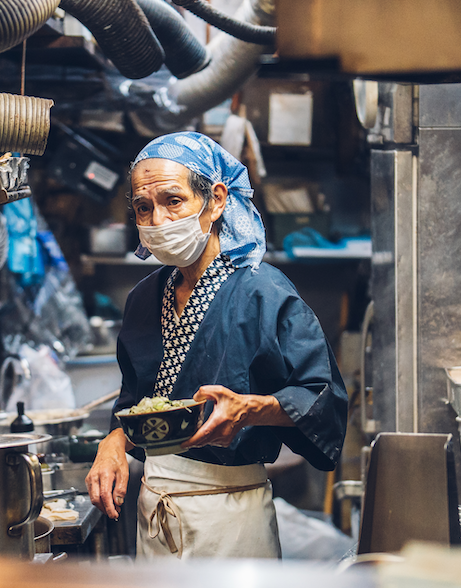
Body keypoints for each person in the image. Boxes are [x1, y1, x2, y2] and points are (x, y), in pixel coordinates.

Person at [86, 132, 348, 558]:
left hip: (231, 515)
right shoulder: (142, 300)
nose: (158, 221)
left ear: (216, 201)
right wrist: (114, 440)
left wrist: (251, 409)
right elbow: (135, 405)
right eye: (143, 208)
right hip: (155, 512)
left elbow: (323, 399)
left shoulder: (264, 292)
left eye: (174, 201)